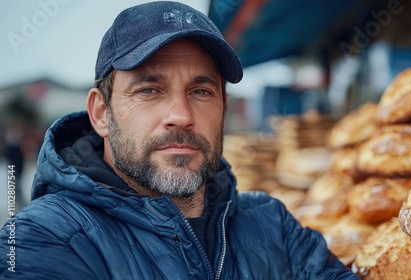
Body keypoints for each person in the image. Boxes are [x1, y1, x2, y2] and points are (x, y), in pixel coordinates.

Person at [0, 1, 360, 279]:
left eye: (201, 91)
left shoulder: (272, 224)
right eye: (149, 89)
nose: (182, 115)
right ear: (100, 114)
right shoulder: (42, 240)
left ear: (224, 108)